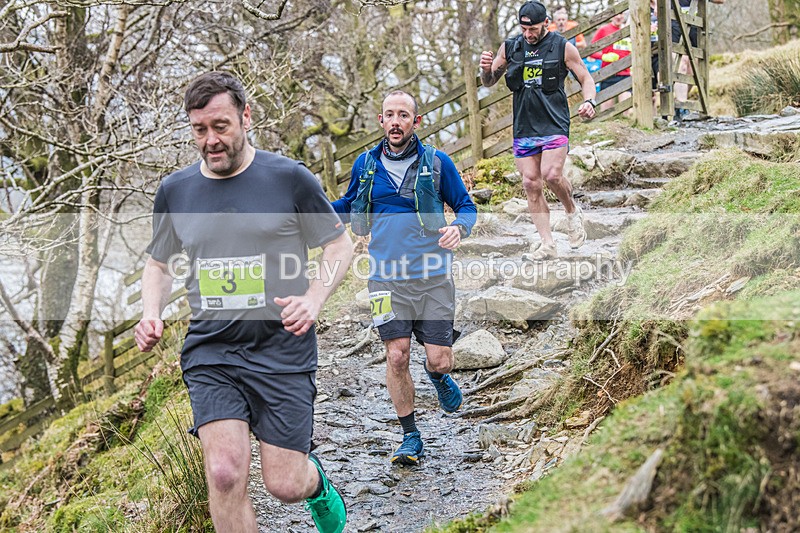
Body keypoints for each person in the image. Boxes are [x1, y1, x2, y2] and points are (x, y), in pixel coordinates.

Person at [134, 71, 352, 533]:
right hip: (212, 350)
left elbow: (339, 245)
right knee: (224, 472)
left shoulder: (288, 178)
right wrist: (150, 313)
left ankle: (318, 487)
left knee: (285, 483)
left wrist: (314, 298)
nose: (210, 140)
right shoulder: (176, 191)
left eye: (221, 126)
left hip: (282, 348)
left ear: (246, 117)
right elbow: (157, 264)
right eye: (199, 130)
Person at [332, 90, 477, 465]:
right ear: (381, 121)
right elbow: (348, 207)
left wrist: (460, 228)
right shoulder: (365, 165)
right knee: (397, 356)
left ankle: (438, 376)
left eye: (404, 115)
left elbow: (466, 206)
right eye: (389, 115)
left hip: (433, 278)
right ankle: (410, 435)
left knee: (440, 360)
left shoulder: (438, 162)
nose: (396, 121)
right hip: (385, 279)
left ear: (416, 121)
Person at [480, 1, 596, 261]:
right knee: (531, 182)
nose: (528, 34)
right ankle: (547, 244)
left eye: (532, 29)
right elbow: (489, 81)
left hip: (554, 121)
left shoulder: (562, 47)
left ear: (546, 23)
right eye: (523, 29)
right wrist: (485, 69)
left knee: (552, 174)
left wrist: (589, 101)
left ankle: (571, 212)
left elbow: (586, 78)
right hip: (524, 125)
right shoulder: (511, 47)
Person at [672, 0, 725, 115]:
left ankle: (679, 101)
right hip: (673, 21)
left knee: (694, 70)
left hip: (694, 23)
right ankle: (682, 107)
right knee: (681, 63)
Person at [590, 12, 631, 112]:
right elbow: (590, 51)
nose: (619, 16)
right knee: (606, 110)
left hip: (625, 73)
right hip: (608, 73)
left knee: (628, 108)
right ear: (611, 16)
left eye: (621, 14)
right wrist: (604, 56)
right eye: (616, 14)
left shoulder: (628, 30)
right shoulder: (604, 30)